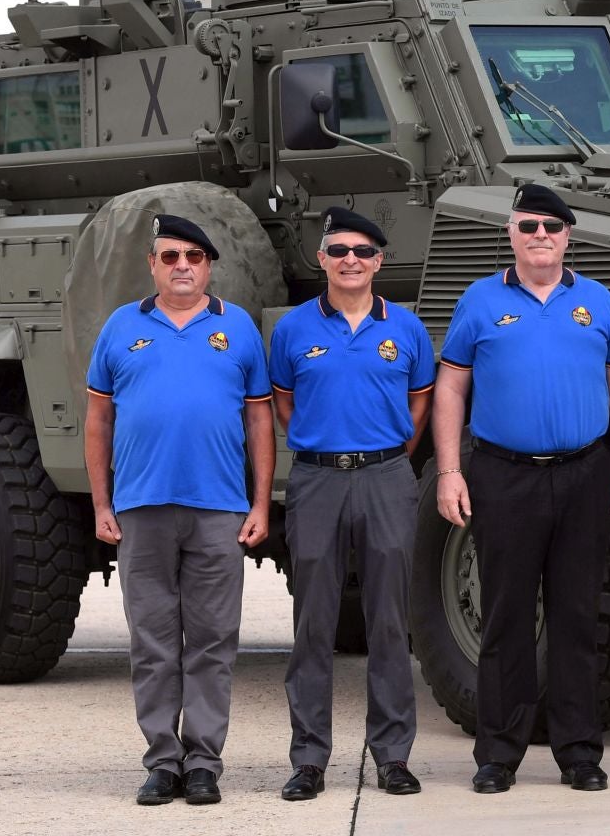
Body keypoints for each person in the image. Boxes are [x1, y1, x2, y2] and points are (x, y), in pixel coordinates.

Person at [432, 183, 610, 794]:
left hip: (586, 474)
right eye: (528, 226)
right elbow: (450, 389)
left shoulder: (597, 302)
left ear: (568, 236)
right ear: (511, 234)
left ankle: (579, 752)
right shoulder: (479, 301)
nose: (540, 237)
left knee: (578, 616)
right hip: (504, 474)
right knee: (505, 617)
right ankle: (498, 753)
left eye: (551, 227)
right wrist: (450, 470)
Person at [85, 214, 273, 807]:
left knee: (215, 639)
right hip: (141, 508)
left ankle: (204, 762)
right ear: (153, 264)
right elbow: (98, 420)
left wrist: (261, 501)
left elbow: (260, 419)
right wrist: (100, 502)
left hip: (219, 508)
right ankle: (162, 761)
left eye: (193, 256)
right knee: (154, 641)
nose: (182, 266)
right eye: (170, 257)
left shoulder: (237, 328)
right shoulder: (121, 328)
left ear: (210, 265)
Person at [268, 207, 433, 802]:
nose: (350, 260)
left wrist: (383, 453)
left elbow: (419, 405)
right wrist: (328, 448)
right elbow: (284, 406)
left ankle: (392, 756)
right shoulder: (292, 330)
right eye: (339, 250)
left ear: (379, 260)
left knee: (389, 622)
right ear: (322, 258)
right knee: (313, 622)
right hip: (316, 480)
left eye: (362, 251)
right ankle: (309, 758)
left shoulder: (407, 328)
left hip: (387, 476)